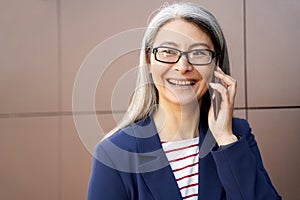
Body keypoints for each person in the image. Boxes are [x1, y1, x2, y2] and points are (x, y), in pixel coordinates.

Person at [87, 2, 281, 199]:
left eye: (198, 53)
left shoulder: (236, 135)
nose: (182, 66)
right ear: (148, 60)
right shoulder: (113, 154)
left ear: (216, 62)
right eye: (168, 52)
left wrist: (225, 139)